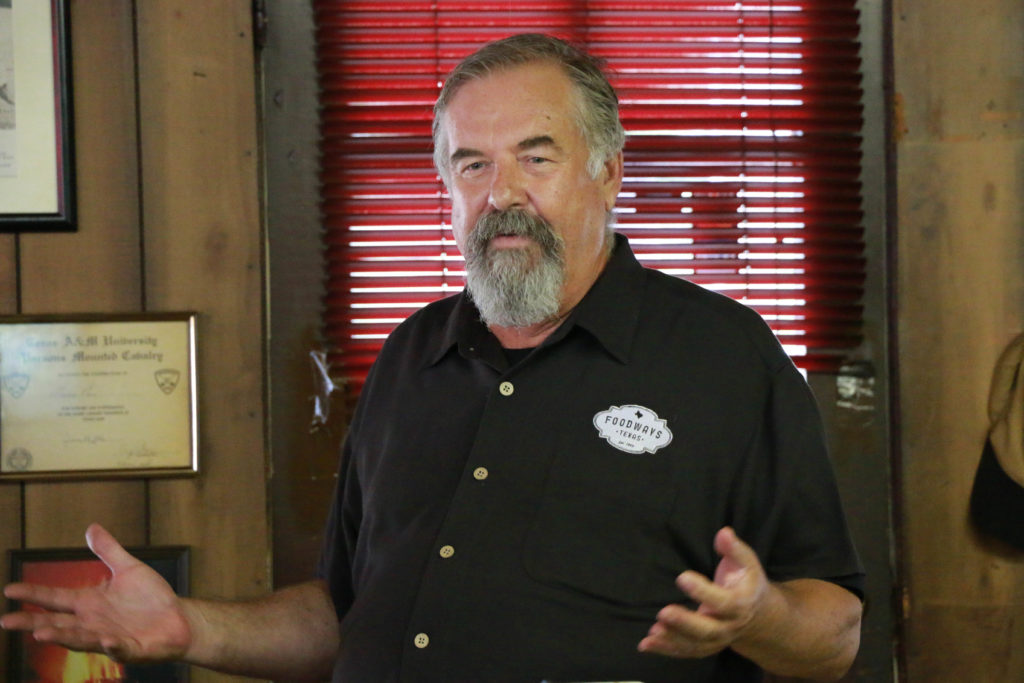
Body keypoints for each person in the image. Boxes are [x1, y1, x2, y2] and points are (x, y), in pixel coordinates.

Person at [2, 33, 863, 682]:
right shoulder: (413, 353)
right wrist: (191, 627)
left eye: (537, 155)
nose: (504, 195)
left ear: (608, 172)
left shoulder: (723, 355)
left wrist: (758, 615)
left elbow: (836, 631)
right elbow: (347, 611)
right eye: (473, 164)